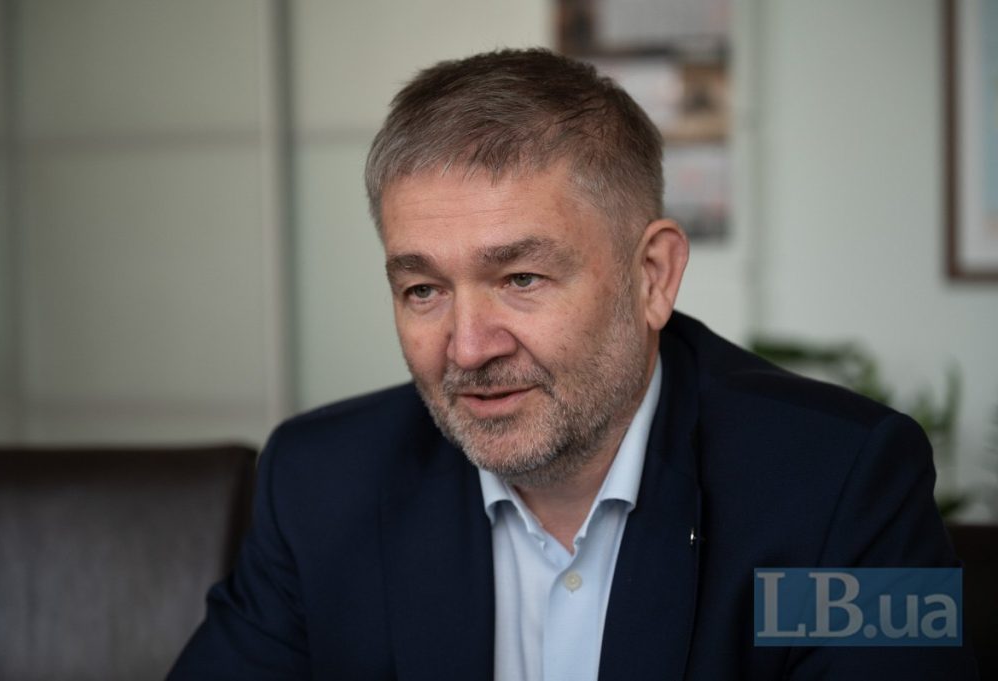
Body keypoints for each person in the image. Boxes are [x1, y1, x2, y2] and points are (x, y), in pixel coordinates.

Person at [170, 48, 978, 680]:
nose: (468, 347)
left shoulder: (840, 485)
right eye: (423, 289)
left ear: (651, 276)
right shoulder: (320, 485)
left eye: (521, 278)